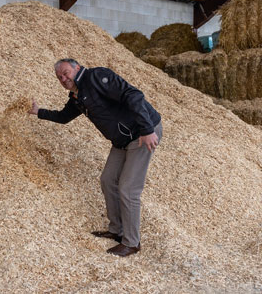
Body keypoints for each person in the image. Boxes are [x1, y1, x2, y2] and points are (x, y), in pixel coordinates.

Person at [29, 58, 162, 257]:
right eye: (59, 77)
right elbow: (64, 117)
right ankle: (117, 230)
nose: (63, 78)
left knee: (128, 188)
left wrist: (147, 128)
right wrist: (39, 112)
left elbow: (132, 95)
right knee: (108, 180)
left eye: (66, 72)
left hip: (142, 133)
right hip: (122, 140)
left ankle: (132, 242)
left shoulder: (97, 77)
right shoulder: (77, 96)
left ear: (77, 68)